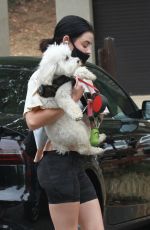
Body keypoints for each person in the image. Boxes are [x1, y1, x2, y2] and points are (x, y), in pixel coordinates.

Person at [24, 15, 104, 230]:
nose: (87, 52)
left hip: (78, 162)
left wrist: (94, 111)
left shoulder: (76, 77)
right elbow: (32, 121)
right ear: (67, 40)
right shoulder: (43, 77)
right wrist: (73, 100)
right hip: (55, 162)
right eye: (85, 44)